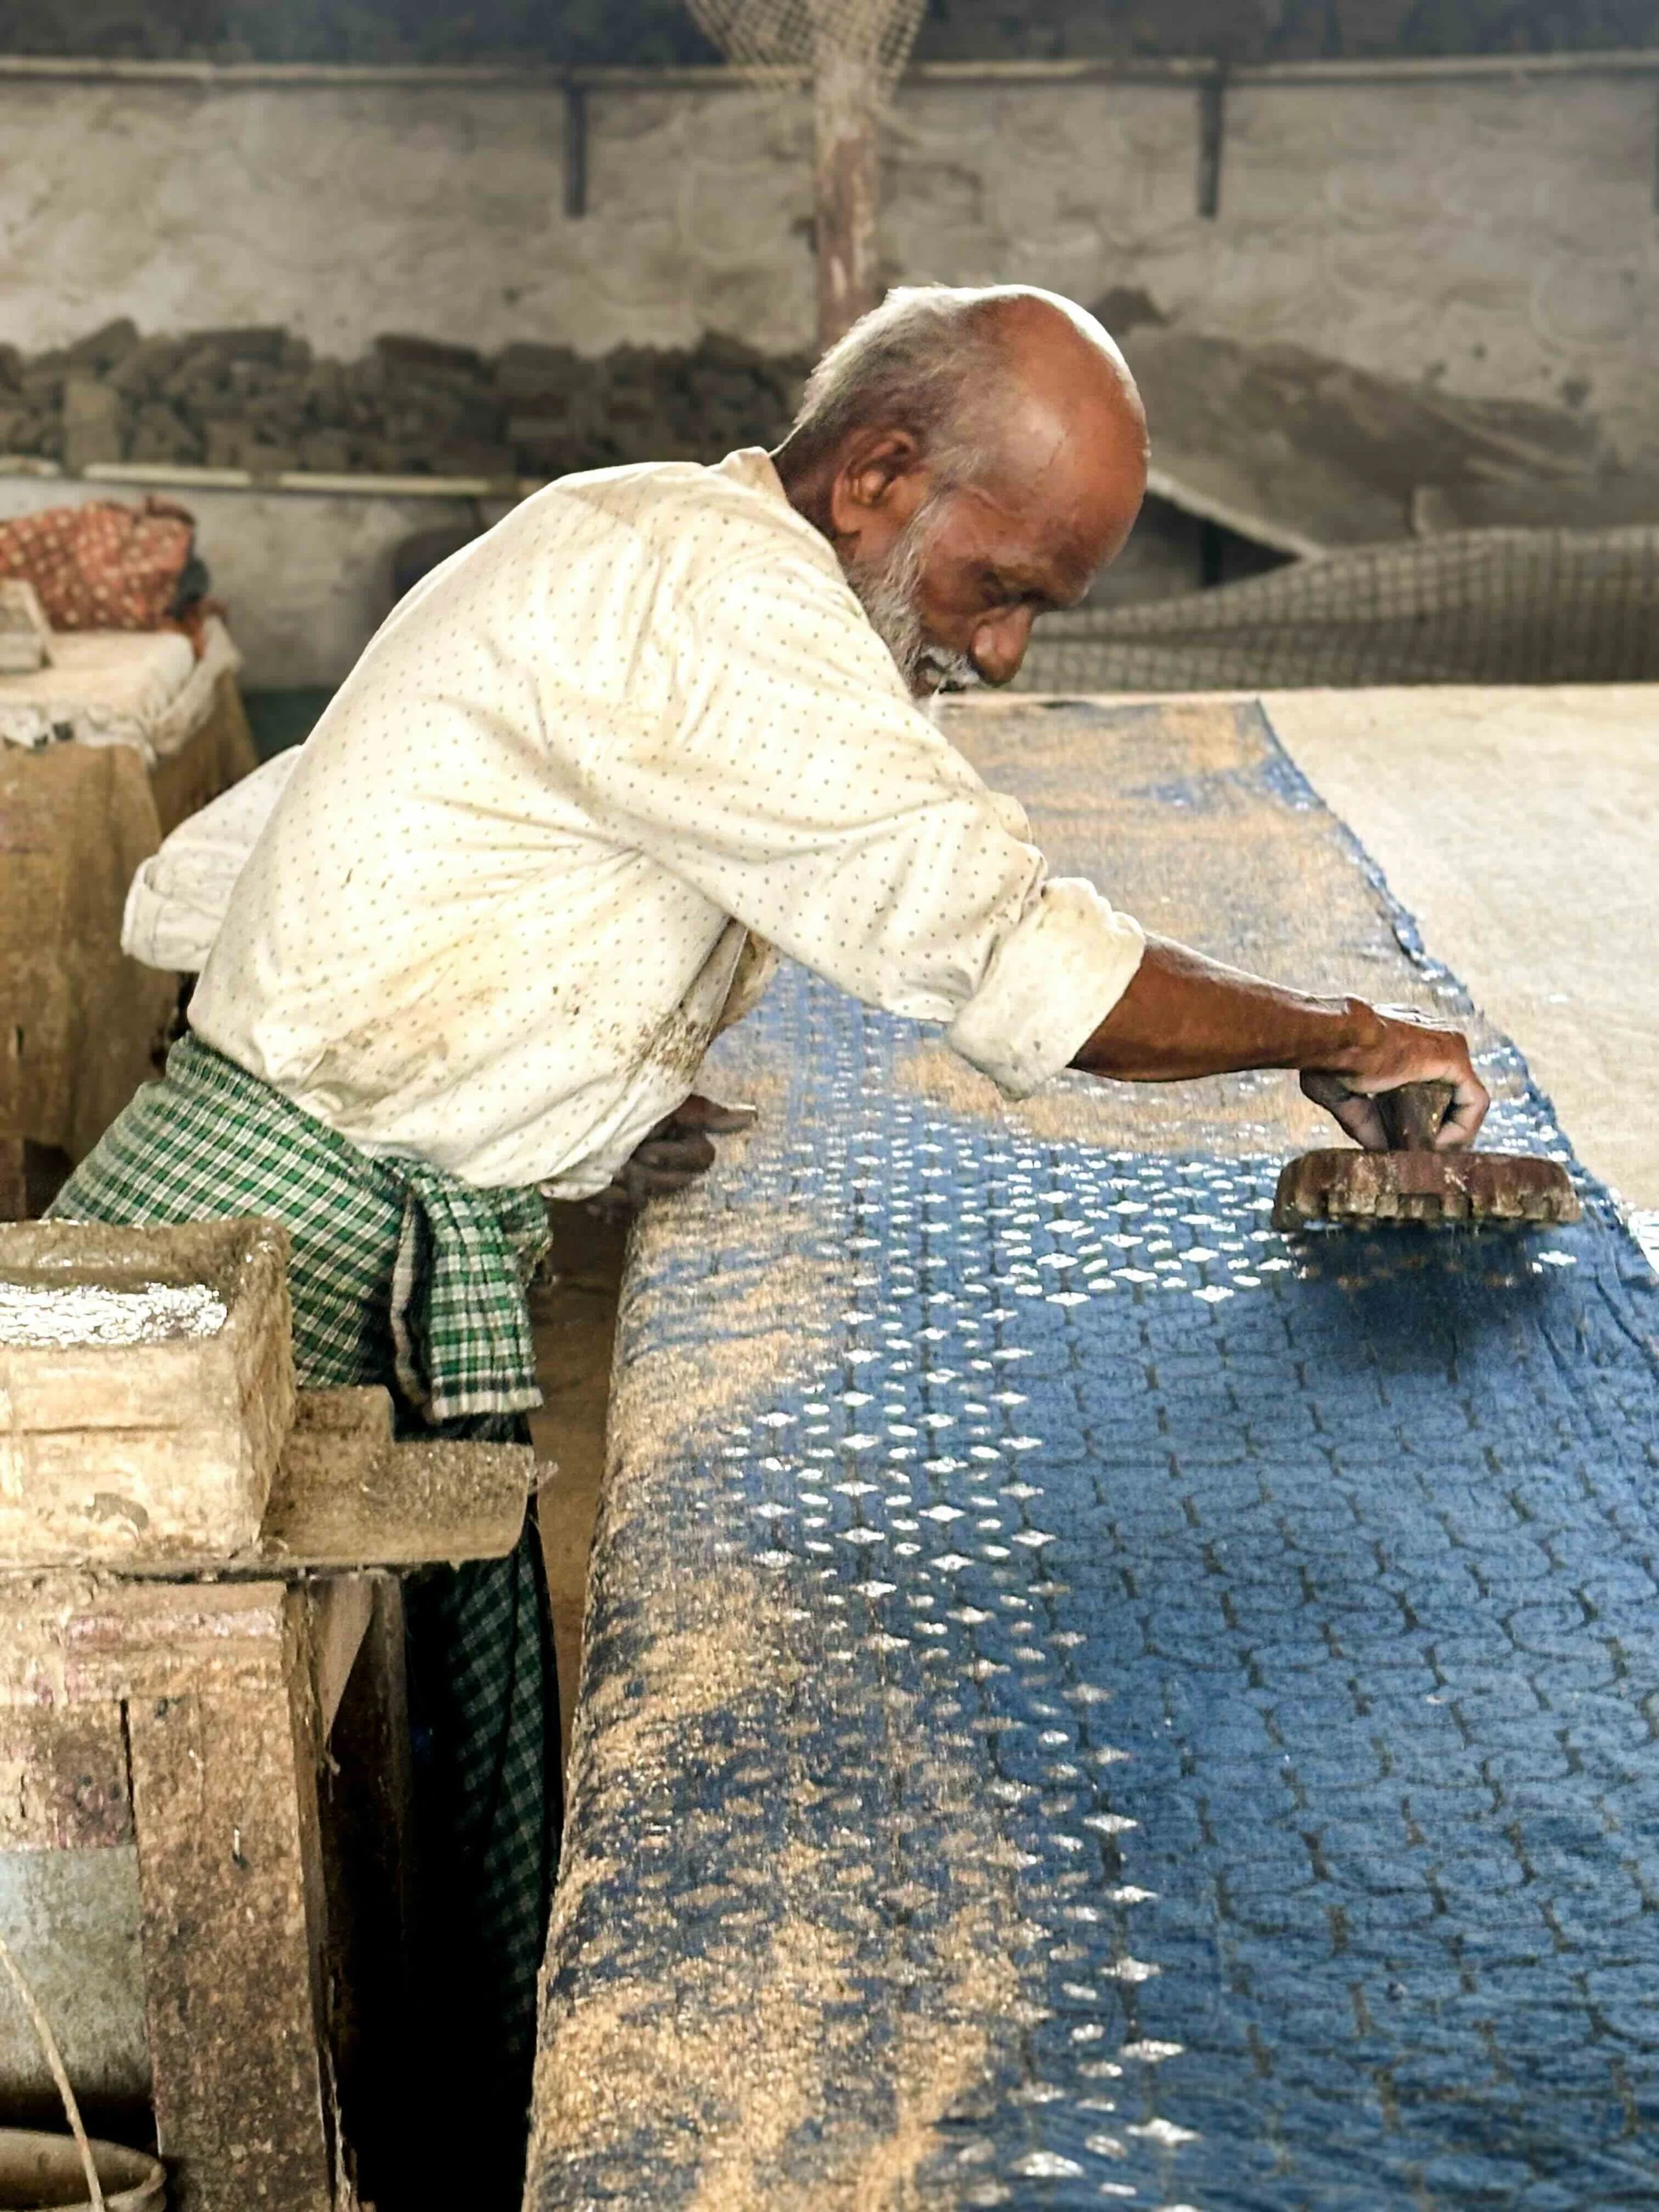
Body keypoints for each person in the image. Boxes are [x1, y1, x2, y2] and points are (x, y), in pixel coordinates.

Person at [58, 282, 1486, 2203]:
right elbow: (1008, 949)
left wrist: (573, 1085)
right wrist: (1330, 1036)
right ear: (880, 469)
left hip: (290, 1187)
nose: (989, 645)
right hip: (254, 1262)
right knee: (123, 1849)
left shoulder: (647, 534)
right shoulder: (712, 597)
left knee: (320, 1796)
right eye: (1002, 585)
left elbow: (265, 870)